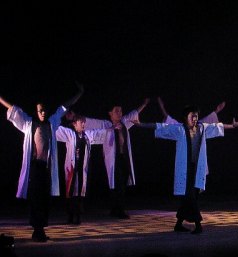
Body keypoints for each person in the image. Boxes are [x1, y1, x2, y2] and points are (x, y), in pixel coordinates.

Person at [138, 105, 238, 234]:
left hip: (197, 169)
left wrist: (232, 126)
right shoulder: (179, 129)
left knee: (191, 197)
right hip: (185, 169)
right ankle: (198, 225)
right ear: (185, 117)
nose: (194, 119)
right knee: (190, 197)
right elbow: (161, 127)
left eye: (196, 116)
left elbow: (217, 127)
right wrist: (141, 124)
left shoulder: (202, 128)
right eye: (192, 116)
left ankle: (178, 224)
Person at [0, 84, 84, 241]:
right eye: (40, 111)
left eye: (45, 110)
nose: (43, 113)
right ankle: (37, 230)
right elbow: (13, 109)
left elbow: (64, 107)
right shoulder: (28, 123)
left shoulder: (52, 123)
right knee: (36, 199)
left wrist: (79, 93)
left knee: (45, 200)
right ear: (36, 111)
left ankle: (41, 230)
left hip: (47, 168)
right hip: (35, 168)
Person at [84, 98, 150, 219]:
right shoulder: (106, 124)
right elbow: (91, 122)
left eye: (121, 111)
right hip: (113, 160)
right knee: (117, 184)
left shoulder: (124, 123)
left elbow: (134, 113)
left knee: (121, 184)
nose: (120, 113)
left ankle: (116, 209)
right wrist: (75, 117)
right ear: (110, 113)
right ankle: (119, 209)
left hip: (123, 158)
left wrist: (144, 104)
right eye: (117, 111)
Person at [55, 114, 109, 225]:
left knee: (80, 193)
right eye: (81, 122)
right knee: (71, 193)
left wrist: (112, 129)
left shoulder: (87, 135)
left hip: (82, 169)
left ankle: (78, 217)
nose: (83, 124)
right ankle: (70, 216)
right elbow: (57, 129)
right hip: (72, 169)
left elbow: (100, 133)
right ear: (75, 124)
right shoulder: (70, 134)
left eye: (84, 122)